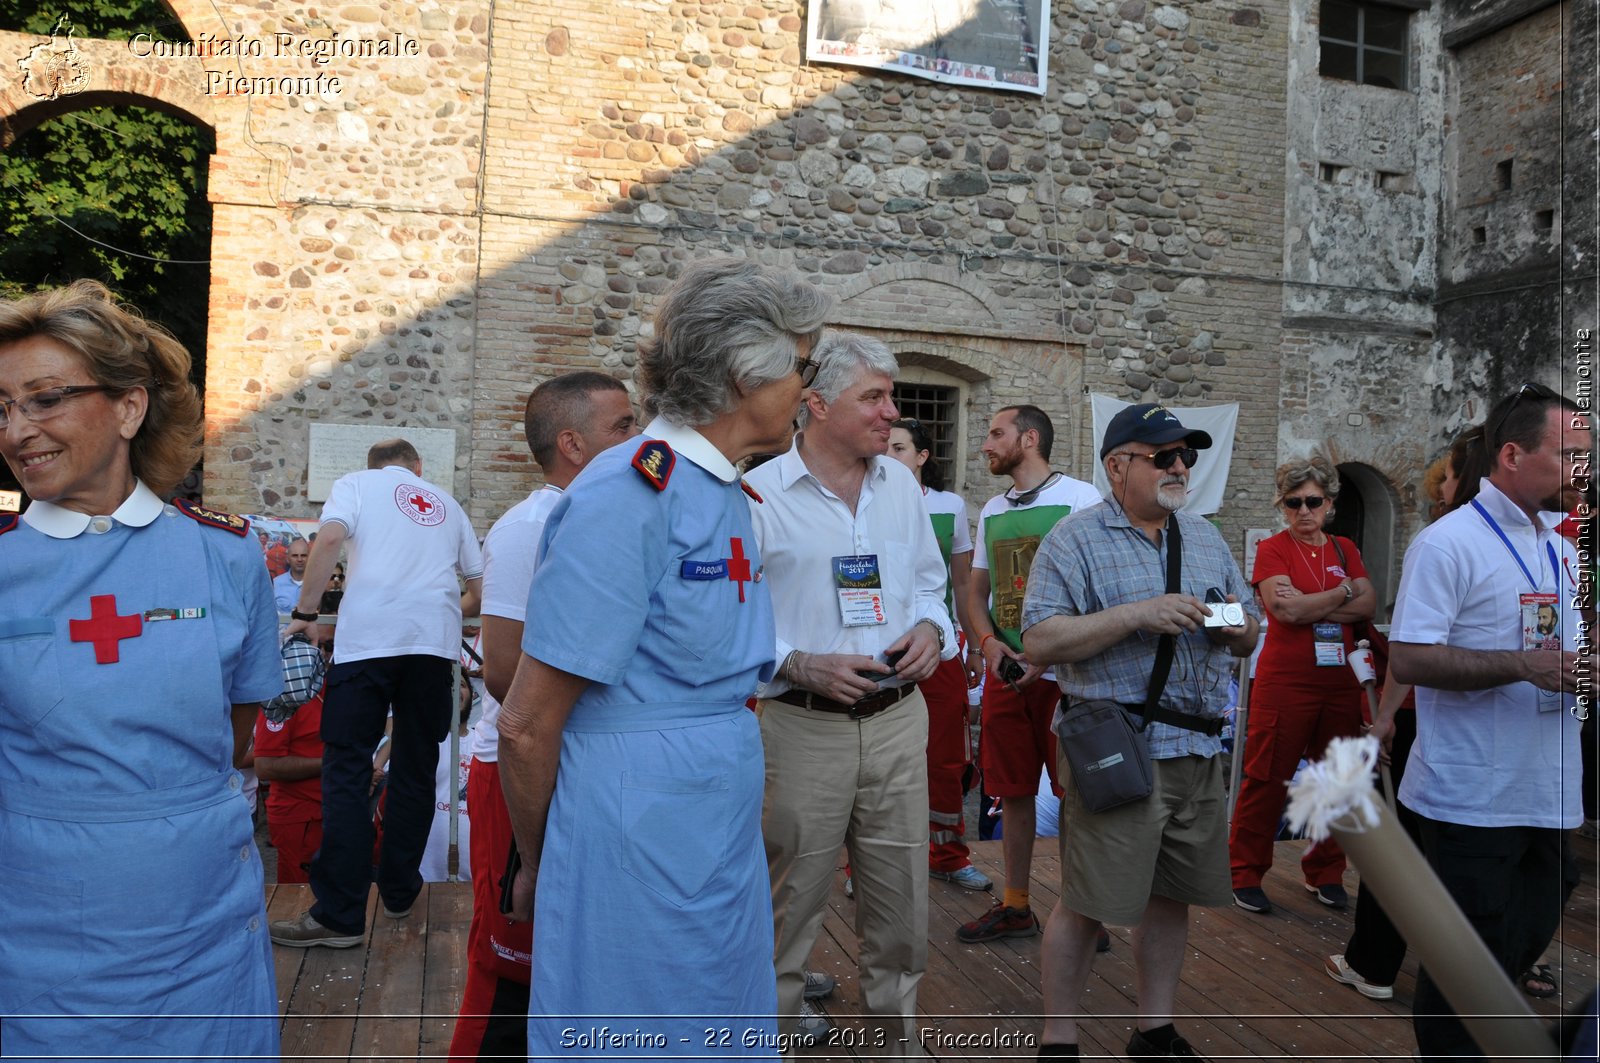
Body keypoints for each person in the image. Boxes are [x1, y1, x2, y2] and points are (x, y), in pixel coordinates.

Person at [497, 257, 831, 1058]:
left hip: (705, 817)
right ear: (742, 372)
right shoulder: (628, 493)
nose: (809, 391)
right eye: (802, 366)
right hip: (632, 825)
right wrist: (548, 863)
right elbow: (526, 724)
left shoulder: (718, 489)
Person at [0, 280, 281, 1056]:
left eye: (45, 399)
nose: (19, 428)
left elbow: (231, 740)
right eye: (3, 408)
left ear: (129, 407)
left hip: (204, 932)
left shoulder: (227, 557)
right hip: (38, 942)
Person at [1023, 403, 1259, 1063]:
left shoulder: (1205, 536)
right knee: (1088, 899)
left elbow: (1249, 627)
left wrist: (1233, 625)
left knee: (1170, 895)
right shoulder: (1074, 538)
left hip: (1196, 749)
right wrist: (1137, 614)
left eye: (1187, 455)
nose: (1181, 466)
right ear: (1118, 464)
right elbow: (1039, 638)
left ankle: (1154, 1029)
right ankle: (1059, 1040)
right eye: (1165, 455)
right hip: (1119, 749)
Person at [746, 331, 957, 1050]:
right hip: (801, 726)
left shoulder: (900, 484)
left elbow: (931, 585)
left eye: (891, 397)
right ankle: (766, 1041)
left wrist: (933, 628)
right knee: (788, 907)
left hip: (901, 718)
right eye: (874, 397)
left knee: (901, 903)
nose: (891, 413)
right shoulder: (756, 495)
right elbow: (724, 620)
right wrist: (797, 661)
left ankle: (897, 1046)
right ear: (817, 404)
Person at [1389, 382, 1587, 1060]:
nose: (1581, 472)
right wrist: (1524, 665)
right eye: (1568, 456)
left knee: (1503, 965)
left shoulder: (1560, 548)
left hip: (1549, 793)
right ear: (1511, 453)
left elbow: (1567, 649)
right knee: (1464, 975)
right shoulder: (1448, 544)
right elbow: (1410, 657)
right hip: (1473, 799)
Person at [446, 370, 638, 1062]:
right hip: (517, 770)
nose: (639, 438)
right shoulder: (532, 525)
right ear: (573, 443)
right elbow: (501, 669)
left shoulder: (600, 518)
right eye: (623, 426)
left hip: (567, 765)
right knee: (509, 966)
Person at [271, 437, 484, 948]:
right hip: (432, 646)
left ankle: (341, 914)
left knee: (345, 770)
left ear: (372, 467)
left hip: (368, 643)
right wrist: (439, 606)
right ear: (417, 467)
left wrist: (305, 613)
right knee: (414, 766)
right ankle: (398, 890)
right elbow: (479, 583)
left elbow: (327, 541)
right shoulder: (445, 502)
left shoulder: (356, 485)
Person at [1326, 425, 1485, 1000]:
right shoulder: (1456, 541)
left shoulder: (1451, 538)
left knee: (1408, 844)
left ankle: (1374, 963)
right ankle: (1385, 963)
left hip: (1437, 721)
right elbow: (1406, 642)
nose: (1441, 485)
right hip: (1442, 721)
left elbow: (1403, 641)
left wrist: (1385, 715)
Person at [958, 405, 1100, 943]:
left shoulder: (1082, 498)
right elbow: (977, 590)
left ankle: (1080, 913)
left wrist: (1049, 656)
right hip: (1006, 671)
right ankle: (1016, 903)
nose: (986, 444)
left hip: (1066, 676)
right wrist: (989, 643)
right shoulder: (993, 506)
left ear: (1030, 438)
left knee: (1075, 796)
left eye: (996, 433)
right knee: (1010, 791)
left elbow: (1095, 589)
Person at [1227, 456, 1375, 913]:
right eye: (1293, 503)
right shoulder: (1273, 549)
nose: (1303, 511)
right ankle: (1245, 872)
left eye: (1313, 501)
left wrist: (1316, 602)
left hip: (1340, 682)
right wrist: (1343, 593)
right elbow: (1284, 611)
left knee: (1338, 779)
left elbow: (1369, 604)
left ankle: (1326, 871)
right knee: (1266, 776)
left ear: (1329, 503)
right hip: (1285, 681)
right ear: (1283, 505)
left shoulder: (1346, 548)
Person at [886, 416, 992, 892]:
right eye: (885, 447)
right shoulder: (862, 498)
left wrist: (974, 646)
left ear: (923, 457)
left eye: (900, 448)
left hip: (942, 646)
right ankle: (862, 866)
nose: (889, 455)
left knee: (948, 757)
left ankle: (948, 855)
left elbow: (964, 582)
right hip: (884, 647)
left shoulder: (949, 506)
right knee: (879, 759)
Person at [274, 536, 311, 617]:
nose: (299, 559)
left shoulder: (317, 584)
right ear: (287, 559)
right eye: (295, 556)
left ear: (309, 558)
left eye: (303, 555)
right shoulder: (276, 584)